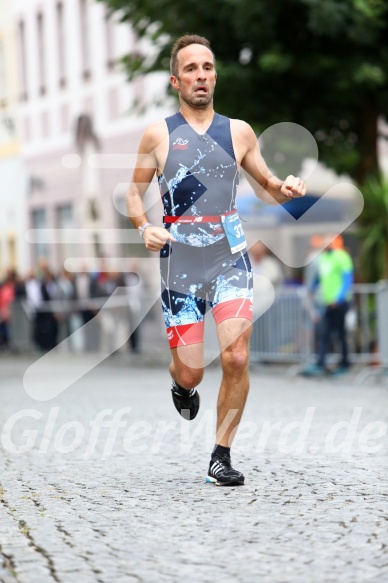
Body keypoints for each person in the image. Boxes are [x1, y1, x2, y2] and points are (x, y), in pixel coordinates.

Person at [126, 34, 306, 486]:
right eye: (191, 69)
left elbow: (264, 183)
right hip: (179, 263)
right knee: (191, 368)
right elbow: (134, 191)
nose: (201, 75)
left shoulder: (238, 131)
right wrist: (143, 225)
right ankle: (181, 384)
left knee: (236, 357)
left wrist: (282, 189)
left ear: (215, 75)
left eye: (207, 67)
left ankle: (221, 455)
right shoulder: (159, 134)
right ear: (175, 80)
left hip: (230, 257)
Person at [302, 235, 354, 376]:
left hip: (339, 302)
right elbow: (321, 277)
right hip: (328, 302)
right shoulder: (324, 258)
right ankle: (321, 363)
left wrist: (339, 298)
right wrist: (312, 289)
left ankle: (345, 363)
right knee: (325, 333)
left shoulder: (342, 256)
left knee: (340, 334)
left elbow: (347, 278)